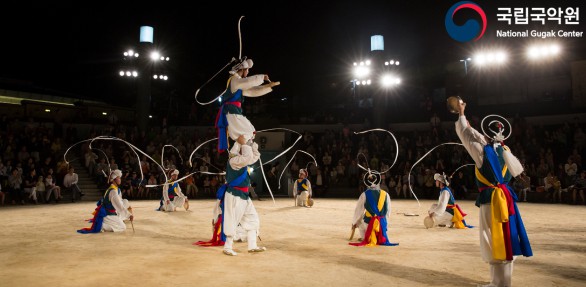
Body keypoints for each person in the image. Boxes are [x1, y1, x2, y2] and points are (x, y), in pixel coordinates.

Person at [453, 99, 532, 287]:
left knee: (493, 238)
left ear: (485, 134)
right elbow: (519, 173)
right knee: (508, 237)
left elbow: (465, 134)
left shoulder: (483, 152)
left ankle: (498, 283)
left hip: (492, 200)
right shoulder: (506, 150)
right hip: (506, 200)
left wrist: (461, 113)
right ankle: (502, 281)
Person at [203, 135, 265, 256]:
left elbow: (255, 156)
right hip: (235, 196)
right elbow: (247, 157)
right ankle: (227, 247)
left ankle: (252, 245)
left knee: (253, 220)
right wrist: (243, 142)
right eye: (242, 147)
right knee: (232, 221)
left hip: (245, 196)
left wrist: (250, 140)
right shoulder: (234, 161)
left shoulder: (241, 160)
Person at [215, 58, 278, 152]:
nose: (248, 72)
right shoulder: (234, 80)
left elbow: (252, 90)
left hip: (235, 113)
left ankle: (238, 152)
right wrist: (262, 77)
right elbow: (248, 82)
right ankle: (238, 153)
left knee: (250, 132)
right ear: (242, 69)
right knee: (247, 133)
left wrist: (268, 86)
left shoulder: (239, 83)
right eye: (247, 69)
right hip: (231, 113)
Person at [349, 173, 398, 247]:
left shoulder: (364, 194)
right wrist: (384, 224)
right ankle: (380, 235)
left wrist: (354, 222)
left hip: (369, 223)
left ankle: (366, 237)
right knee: (382, 220)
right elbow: (388, 212)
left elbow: (359, 211)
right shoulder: (386, 194)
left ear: (367, 183)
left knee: (360, 223)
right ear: (378, 182)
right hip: (381, 224)